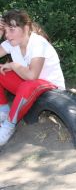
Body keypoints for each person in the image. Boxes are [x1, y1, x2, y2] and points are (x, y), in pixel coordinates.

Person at [0, 9, 65, 146]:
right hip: (28, 87)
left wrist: (13, 65)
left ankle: (8, 126)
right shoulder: (13, 42)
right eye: (5, 31)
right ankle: (3, 111)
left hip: (51, 88)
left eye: (11, 29)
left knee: (27, 83)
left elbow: (32, 76)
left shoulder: (37, 43)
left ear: (26, 28)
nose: (7, 35)